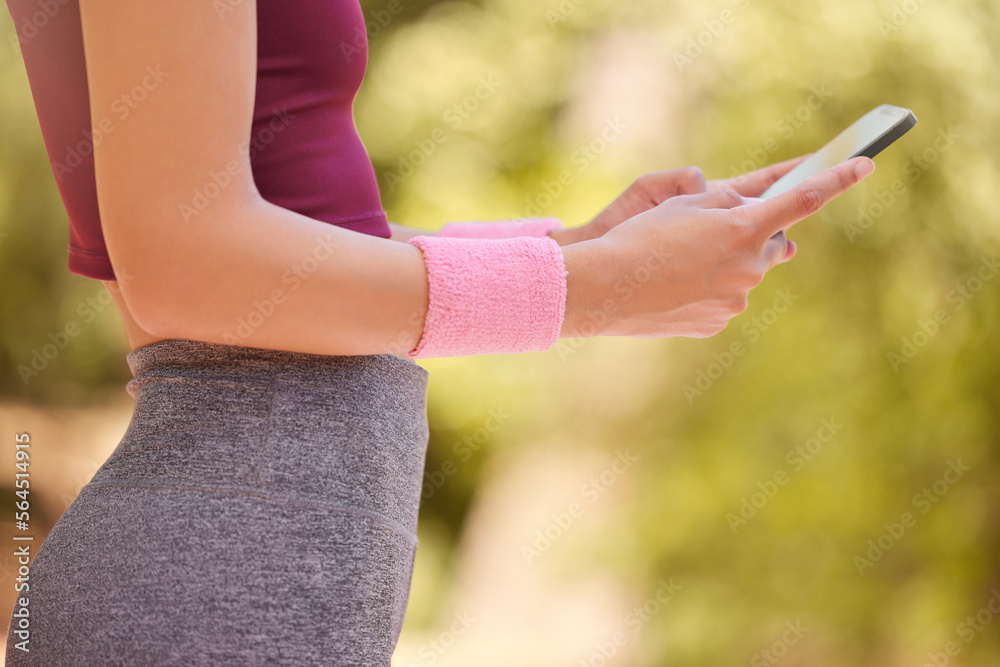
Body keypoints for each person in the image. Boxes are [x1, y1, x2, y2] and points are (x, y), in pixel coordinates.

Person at [4, 0, 874, 664]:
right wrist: (588, 289)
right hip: (213, 587)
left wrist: (579, 252)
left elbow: (279, 236)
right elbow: (184, 261)